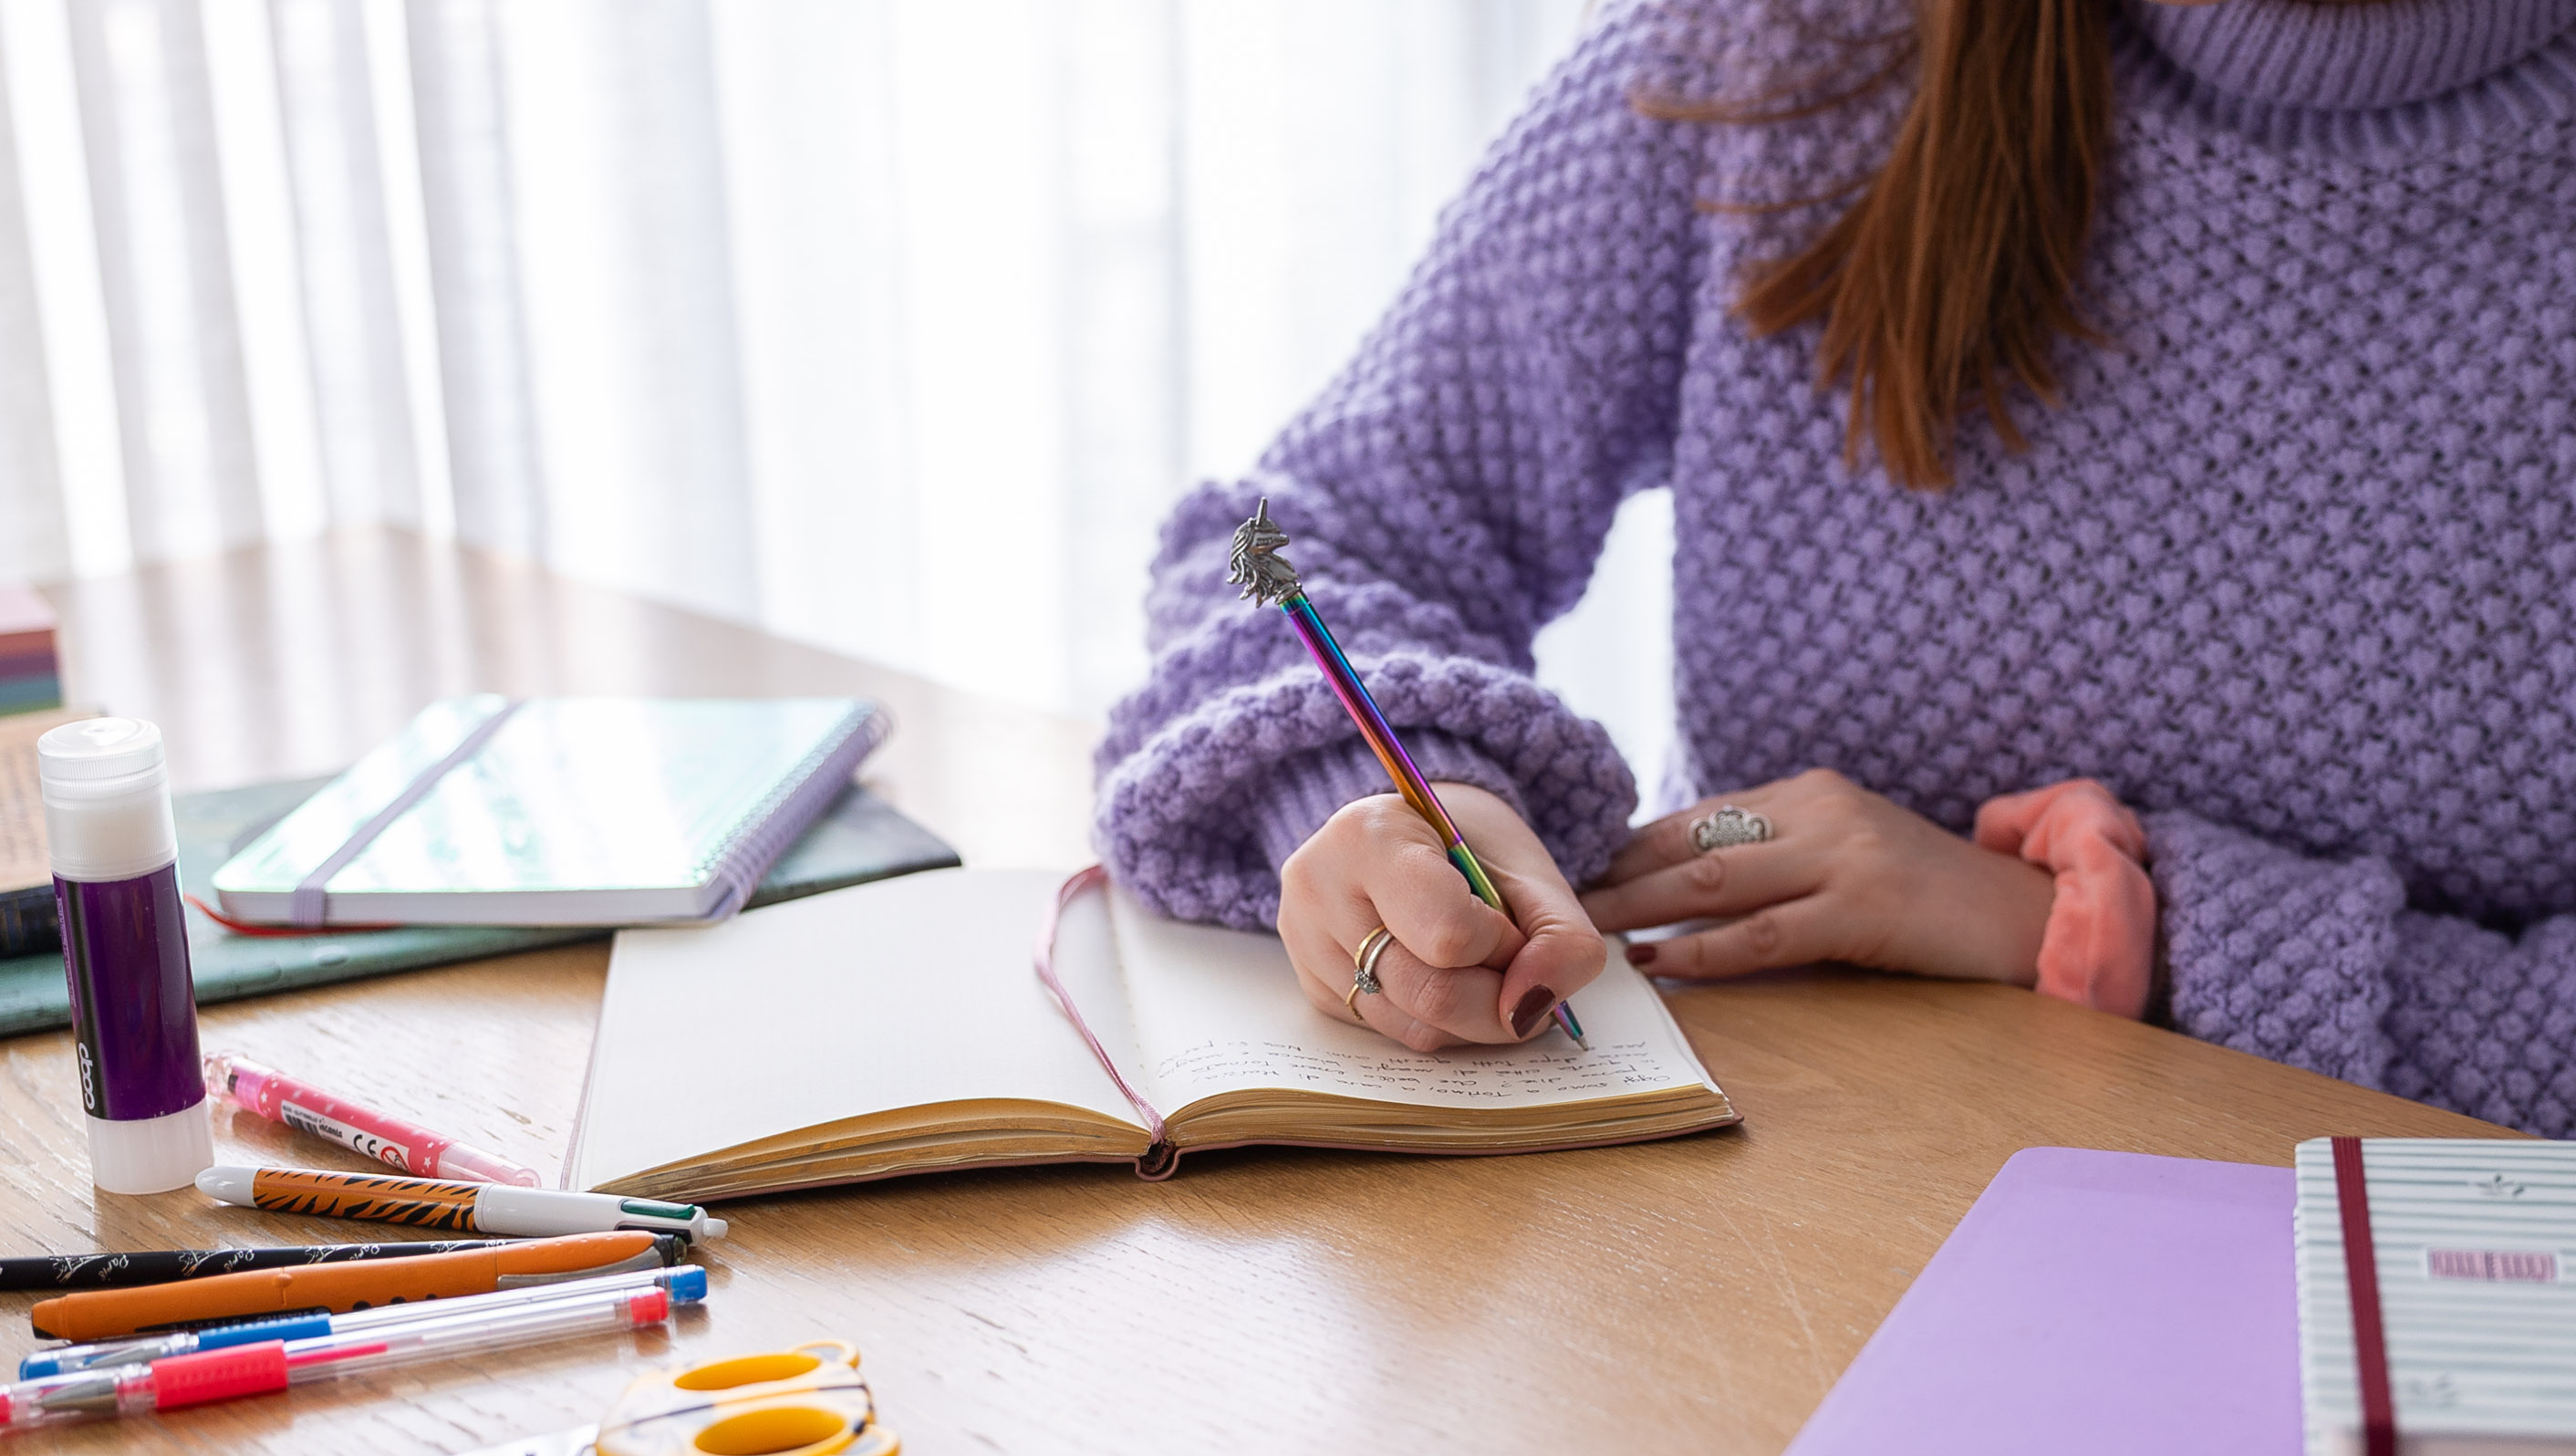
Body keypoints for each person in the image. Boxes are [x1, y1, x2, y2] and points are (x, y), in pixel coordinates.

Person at [1093, 0, 2576, 1134]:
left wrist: (2101, 934)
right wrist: (1398, 795)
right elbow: (1274, 538)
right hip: (1766, 1243)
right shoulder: (1772, 52)